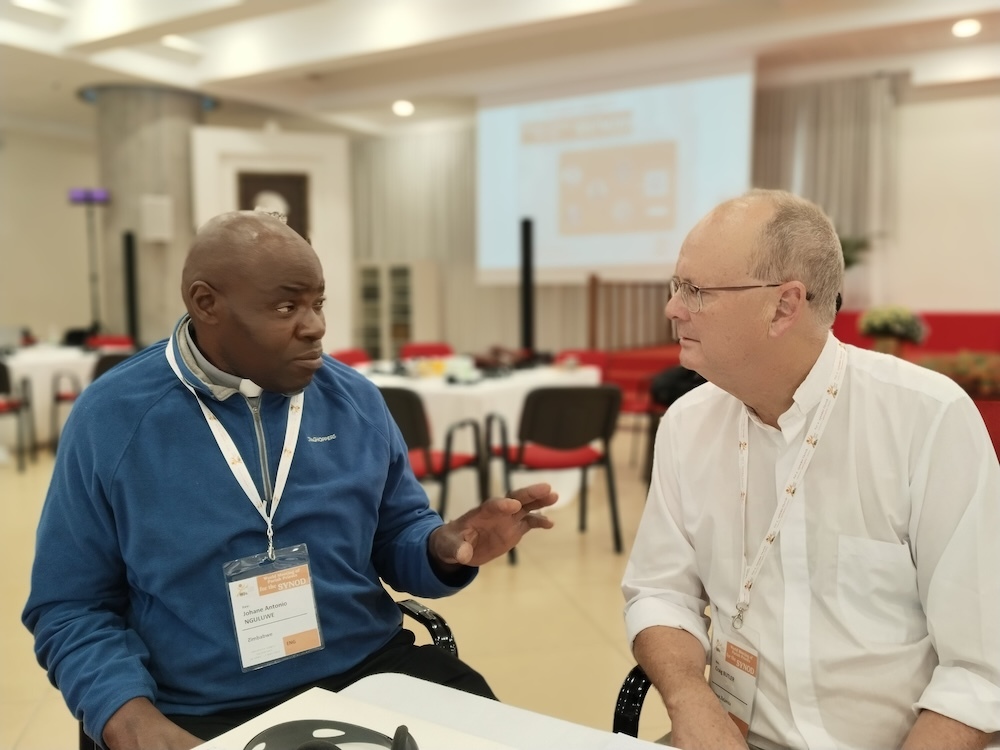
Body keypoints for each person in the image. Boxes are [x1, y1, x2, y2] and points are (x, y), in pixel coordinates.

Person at [23, 210, 559, 750]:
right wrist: (126, 713)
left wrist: (442, 547)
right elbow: (68, 605)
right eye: (286, 306)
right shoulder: (114, 417)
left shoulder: (355, 401)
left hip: (366, 670)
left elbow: (398, 533)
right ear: (205, 303)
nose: (315, 325)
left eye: (317, 303)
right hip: (196, 704)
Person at [622, 189, 1000, 750]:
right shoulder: (687, 423)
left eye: (696, 291)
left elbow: (981, 669)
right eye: (677, 287)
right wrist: (689, 698)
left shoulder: (925, 418)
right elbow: (658, 592)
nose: (674, 309)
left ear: (784, 305)